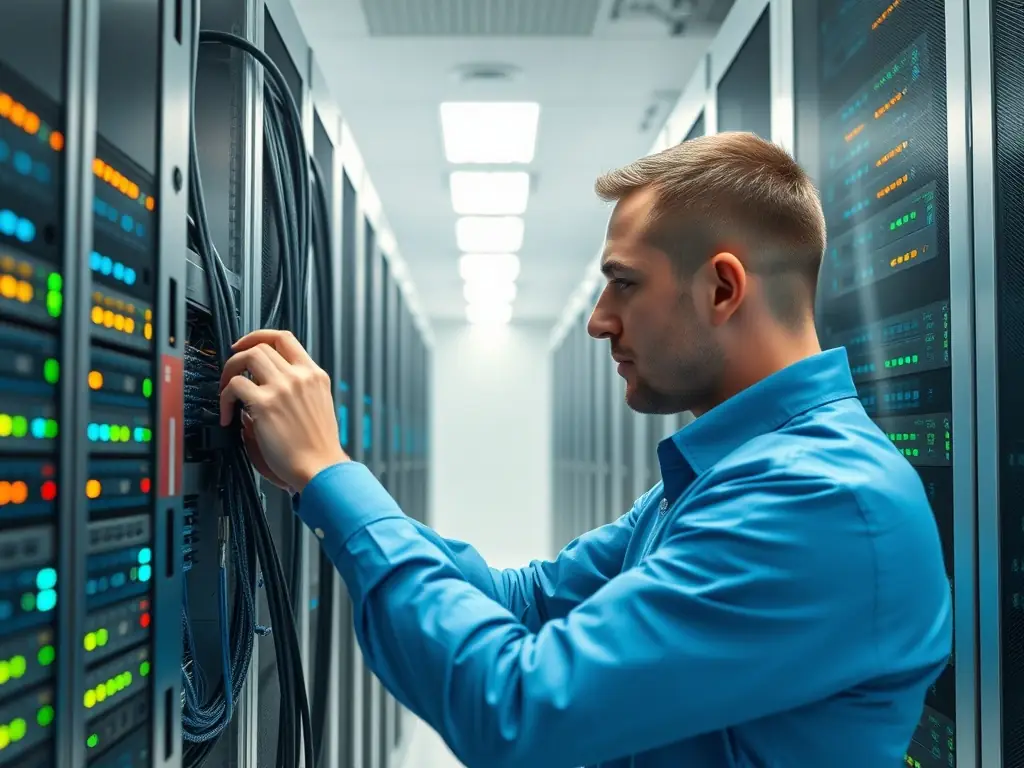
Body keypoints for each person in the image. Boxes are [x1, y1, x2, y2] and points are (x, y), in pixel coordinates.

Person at [219, 131, 952, 768]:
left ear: (723, 288)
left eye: (624, 284)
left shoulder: (819, 499)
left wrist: (331, 476)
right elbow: (527, 599)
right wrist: (317, 472)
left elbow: (517, 708)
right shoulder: (723, 475)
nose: (600, 322)